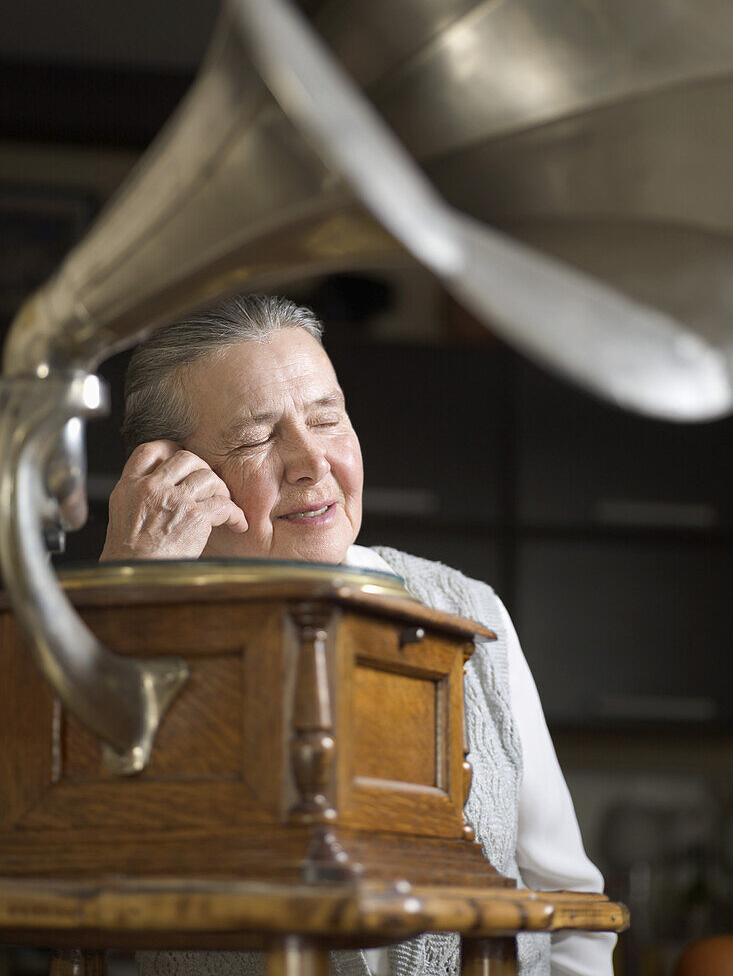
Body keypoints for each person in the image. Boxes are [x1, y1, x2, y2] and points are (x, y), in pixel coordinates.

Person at [102, 294, 616, 976]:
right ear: (174, 474)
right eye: (258, 437)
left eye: (327, 418)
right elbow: (50, 863)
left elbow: (570, 904)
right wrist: (127, 597)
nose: (311, 462)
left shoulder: (469, 609)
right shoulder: (112, 625)